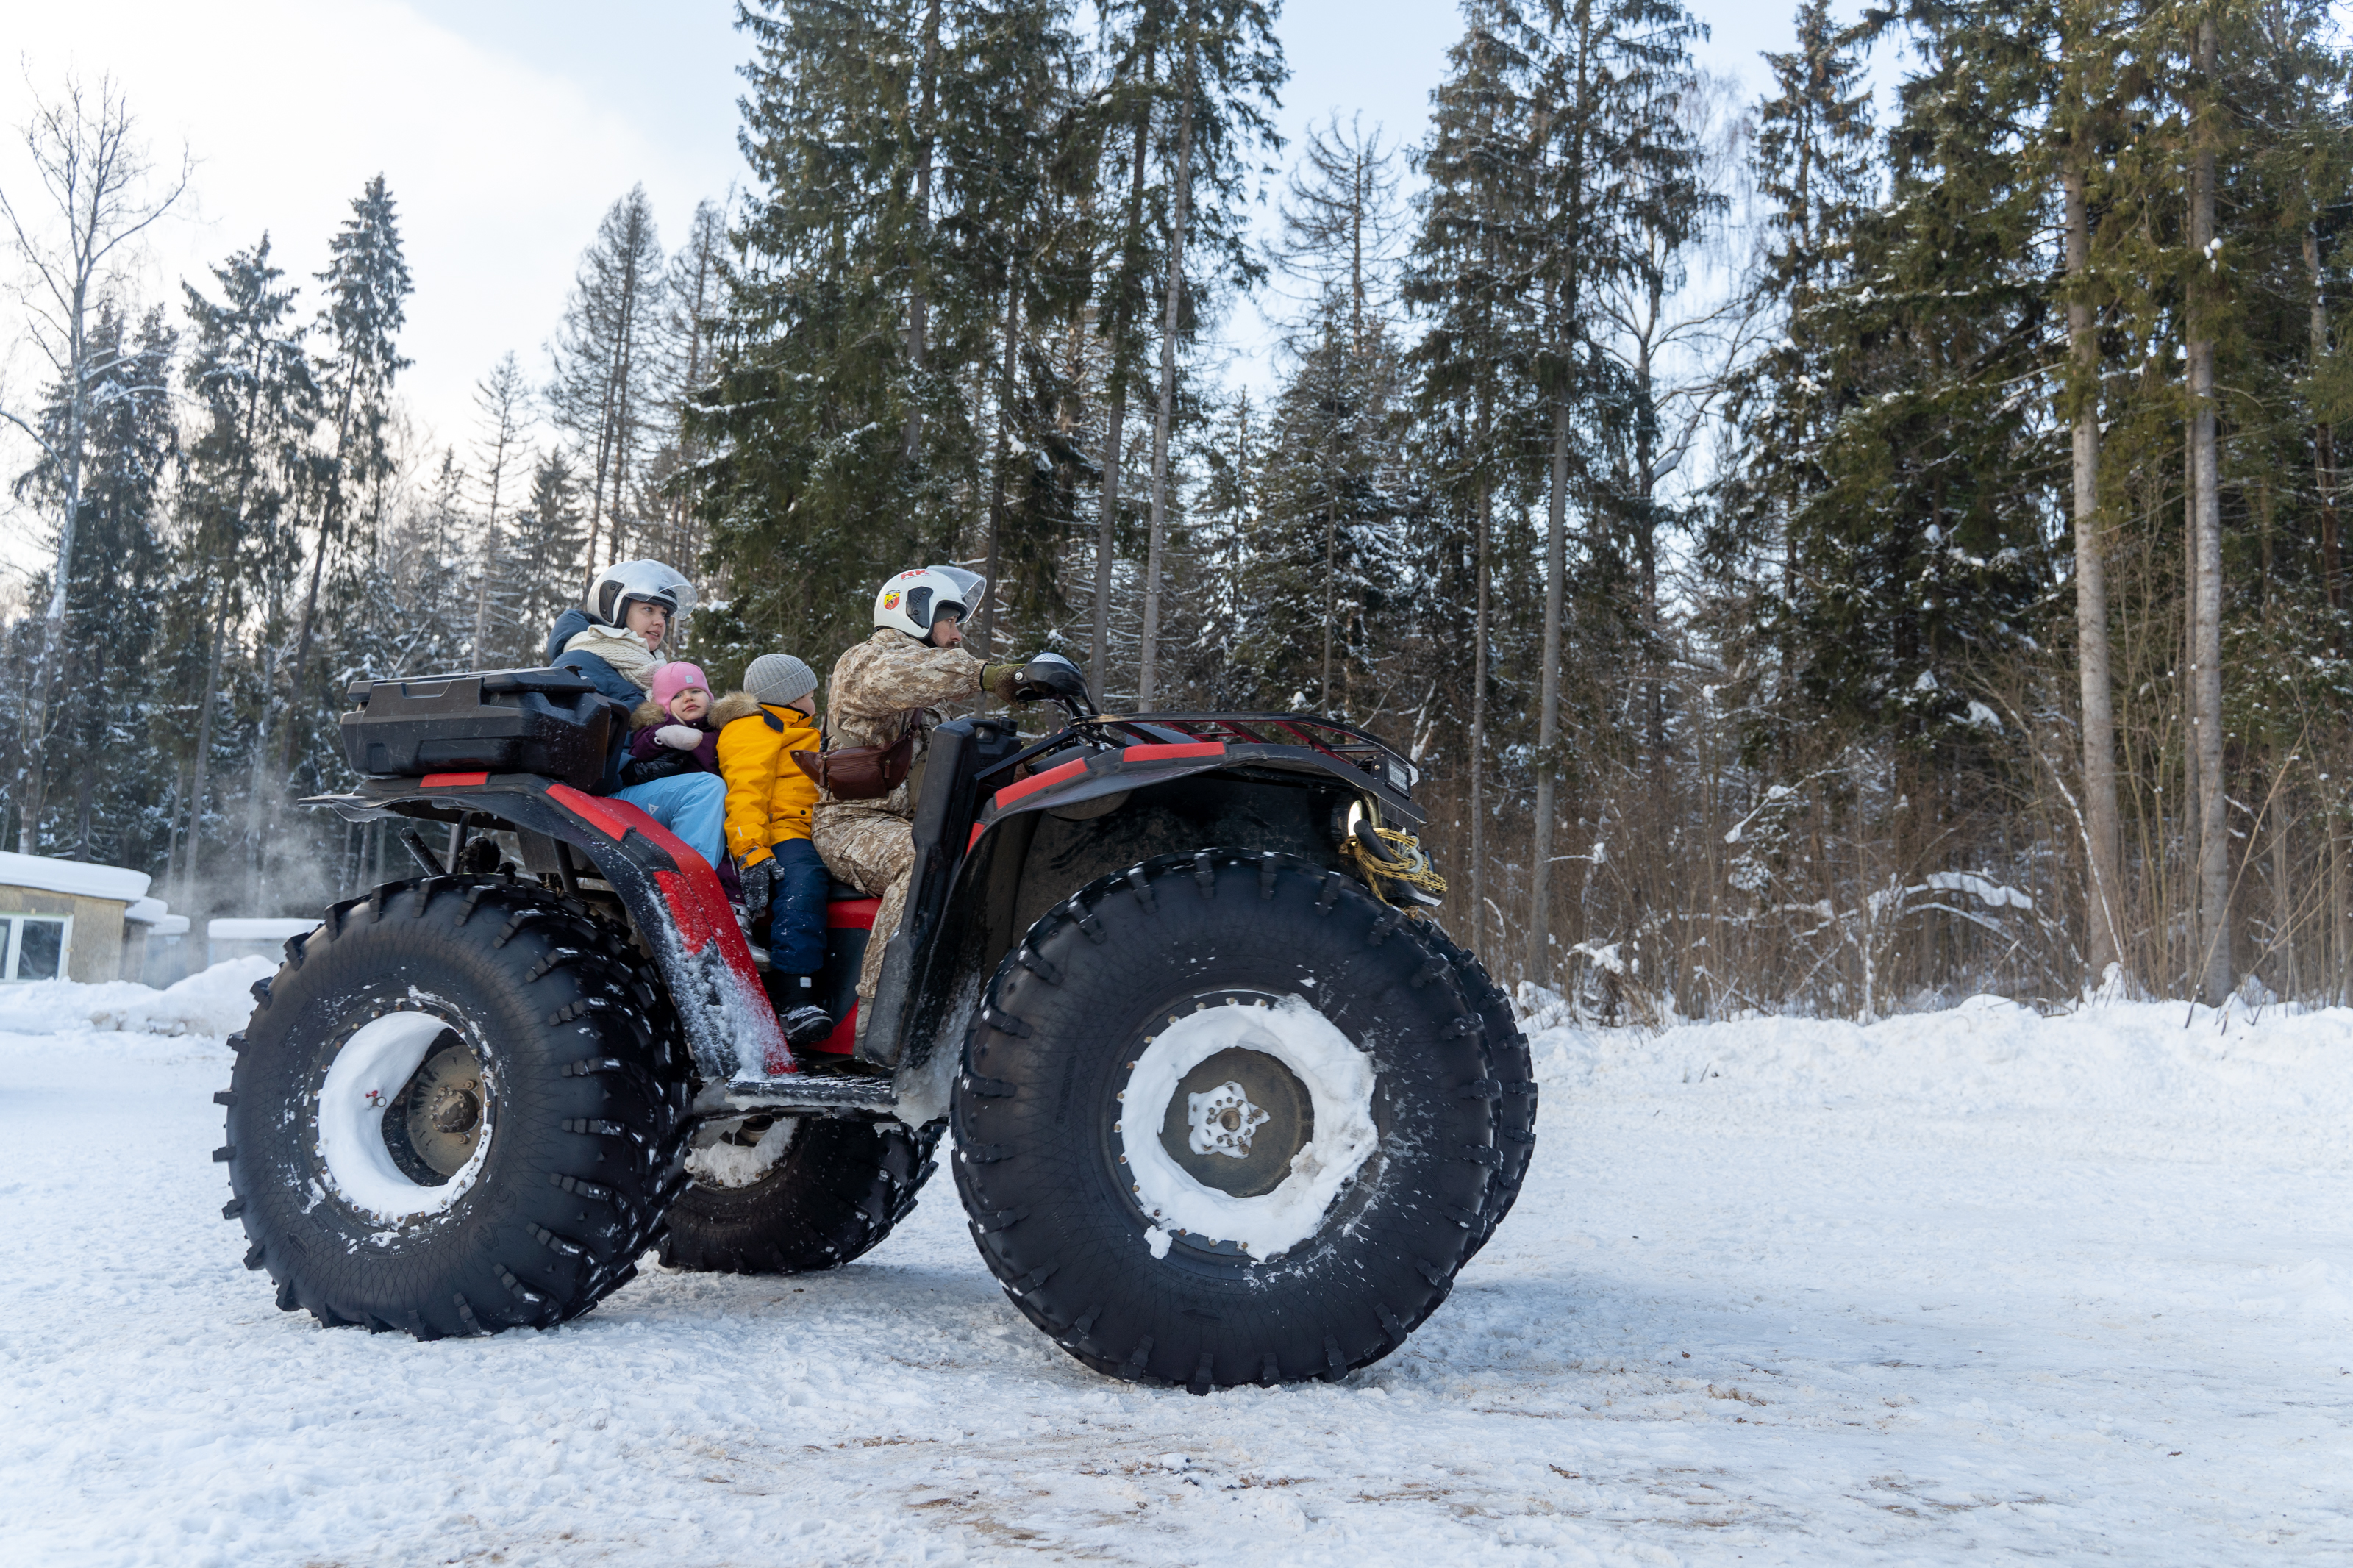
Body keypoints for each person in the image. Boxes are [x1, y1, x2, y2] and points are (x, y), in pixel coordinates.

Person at [813, 568, 1026, 1055]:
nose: (957, 634)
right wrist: (987, 674)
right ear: (914, 613)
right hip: (851, 824)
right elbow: (906, 675)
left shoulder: (928, 701)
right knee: (920, 860)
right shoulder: (866, 664)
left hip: (909, 824)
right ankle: (879, 1023)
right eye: (949, 621)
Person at [714, 653, 832, 1045]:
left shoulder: (802, 730)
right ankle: (796, 996)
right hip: (781, 832)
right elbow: (745, 793)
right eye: (811, 693)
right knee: (804, 881)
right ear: (793, 697)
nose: (816, 700)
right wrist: (751, 851)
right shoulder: (754, 727)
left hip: (814, 828)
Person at [548, 560, 696, 705]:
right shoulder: (579, 663)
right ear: (613, 609)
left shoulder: (652, 672)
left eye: (663, 614)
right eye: (649, 609)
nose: (660, 622)